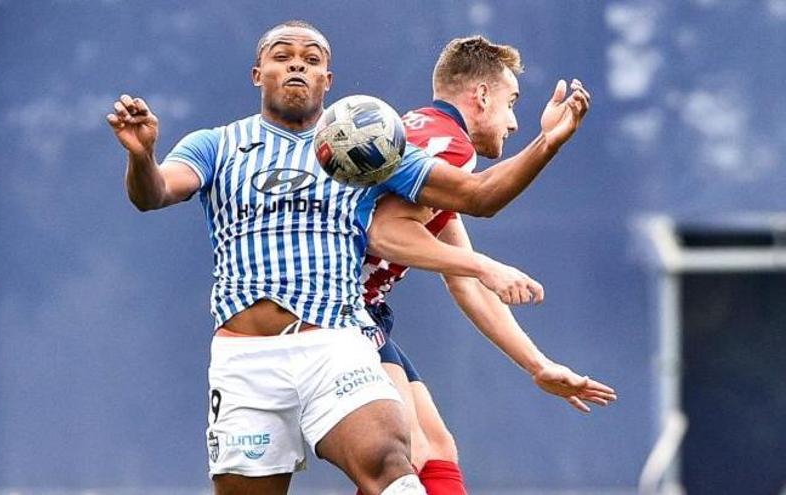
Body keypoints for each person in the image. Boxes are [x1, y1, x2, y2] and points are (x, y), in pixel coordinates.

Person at [106, 20, 588, 495]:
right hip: (244, 357)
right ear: (258, 74)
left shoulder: (369, 149)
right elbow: (155, 193)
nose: (297, 64)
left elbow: (479, 195)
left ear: (328, 81)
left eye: (312, 59)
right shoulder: (216, 144)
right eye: (282, 56)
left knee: (393, 466)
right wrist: (141, 157)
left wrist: (547, 143)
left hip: (335, 344)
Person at [360, 36, 617, 494]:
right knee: (408, 454)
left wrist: (537, 365)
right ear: (481, 95)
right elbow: (384, 233)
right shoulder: (451, 143)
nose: (514, 121)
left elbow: (462, 279)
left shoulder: (420, 134)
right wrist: (485, 265)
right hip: (334, 311)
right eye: (511, 101)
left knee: (437, 451)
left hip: (364, 311)